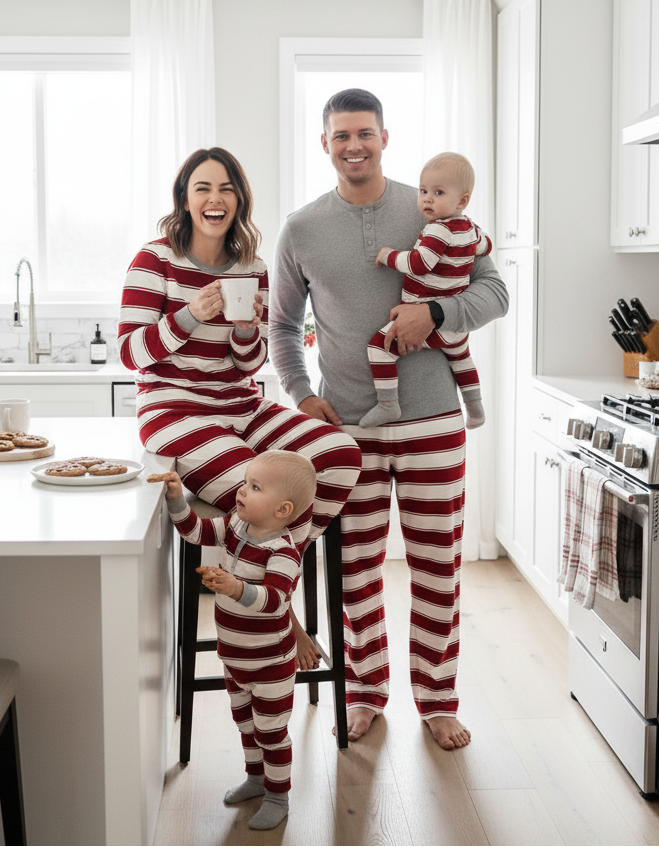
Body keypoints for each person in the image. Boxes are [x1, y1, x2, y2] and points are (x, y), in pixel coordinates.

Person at [269, 89, 508, 748]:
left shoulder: (432, 202)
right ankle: (366, 693)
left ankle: (437, 701)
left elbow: (493, 291)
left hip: (434, 420)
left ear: (383, 136)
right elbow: (282, 325)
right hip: (348, 429)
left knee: (436, 569)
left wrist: (433, 314)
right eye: (341, 135)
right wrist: (298, 390)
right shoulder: (302, 228)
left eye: (364, 134)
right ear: (324, 143)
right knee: (357, 572)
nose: (354, 146)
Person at [117, 147, 362, 670]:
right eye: (203, 188)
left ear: (239, 200)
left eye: (226, 189)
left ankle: (274, 578)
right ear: (185, 198)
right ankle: (280, 612)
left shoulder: (251, 266)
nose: (215, 198)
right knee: (253, 490)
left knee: (340, 454)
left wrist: (248, 329)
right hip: (174, 411)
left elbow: (246, 367)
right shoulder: (153, 260)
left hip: (241, 404)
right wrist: (187, 315)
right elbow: (130, 353)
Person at [147, 449, 317, 830]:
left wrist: (236, 586)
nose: (242, 491)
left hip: (270, 664)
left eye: (255, 487)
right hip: (235, 657)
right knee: (244, 723)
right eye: (245, 482)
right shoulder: (236, 526)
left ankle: (278, 795)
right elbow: (195, 531)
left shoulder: (284, 551)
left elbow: (274, 602)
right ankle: (256, 779)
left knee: (271, 732)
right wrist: (176, 497)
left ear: (282, 509)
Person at [360, 151, 492, 430]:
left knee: (378, 349)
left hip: (431, 323)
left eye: (439, 192)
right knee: (462, 360)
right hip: (454, 325)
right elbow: (486, 246)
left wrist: (387, 255)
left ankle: (388, 404)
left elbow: (419, 264)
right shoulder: (471, 228)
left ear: (462, 200)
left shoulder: (438, 231)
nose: (427, 198)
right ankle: (476, 410)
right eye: (423, 191)